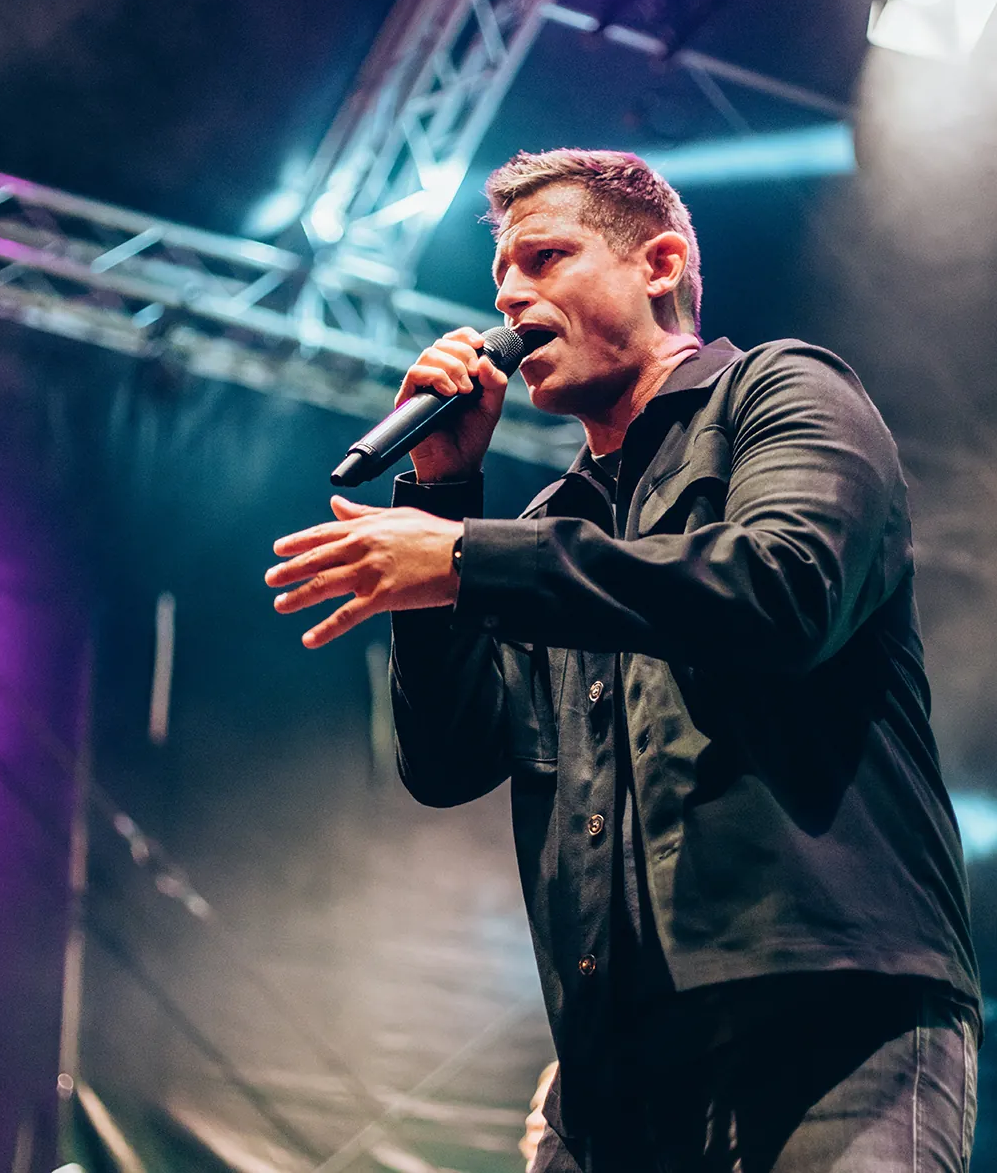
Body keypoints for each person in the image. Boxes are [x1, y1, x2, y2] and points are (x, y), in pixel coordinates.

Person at [267, 149, 981, 1173]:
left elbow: (784, 588)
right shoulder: (550, 527)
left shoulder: (781, 392)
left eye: (545, 258)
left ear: (659, 262)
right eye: (500, 278)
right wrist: (442, 500)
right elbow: (451, 759)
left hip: (829, 1009)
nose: (510, 298)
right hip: (616, 1067)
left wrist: (470, 558)